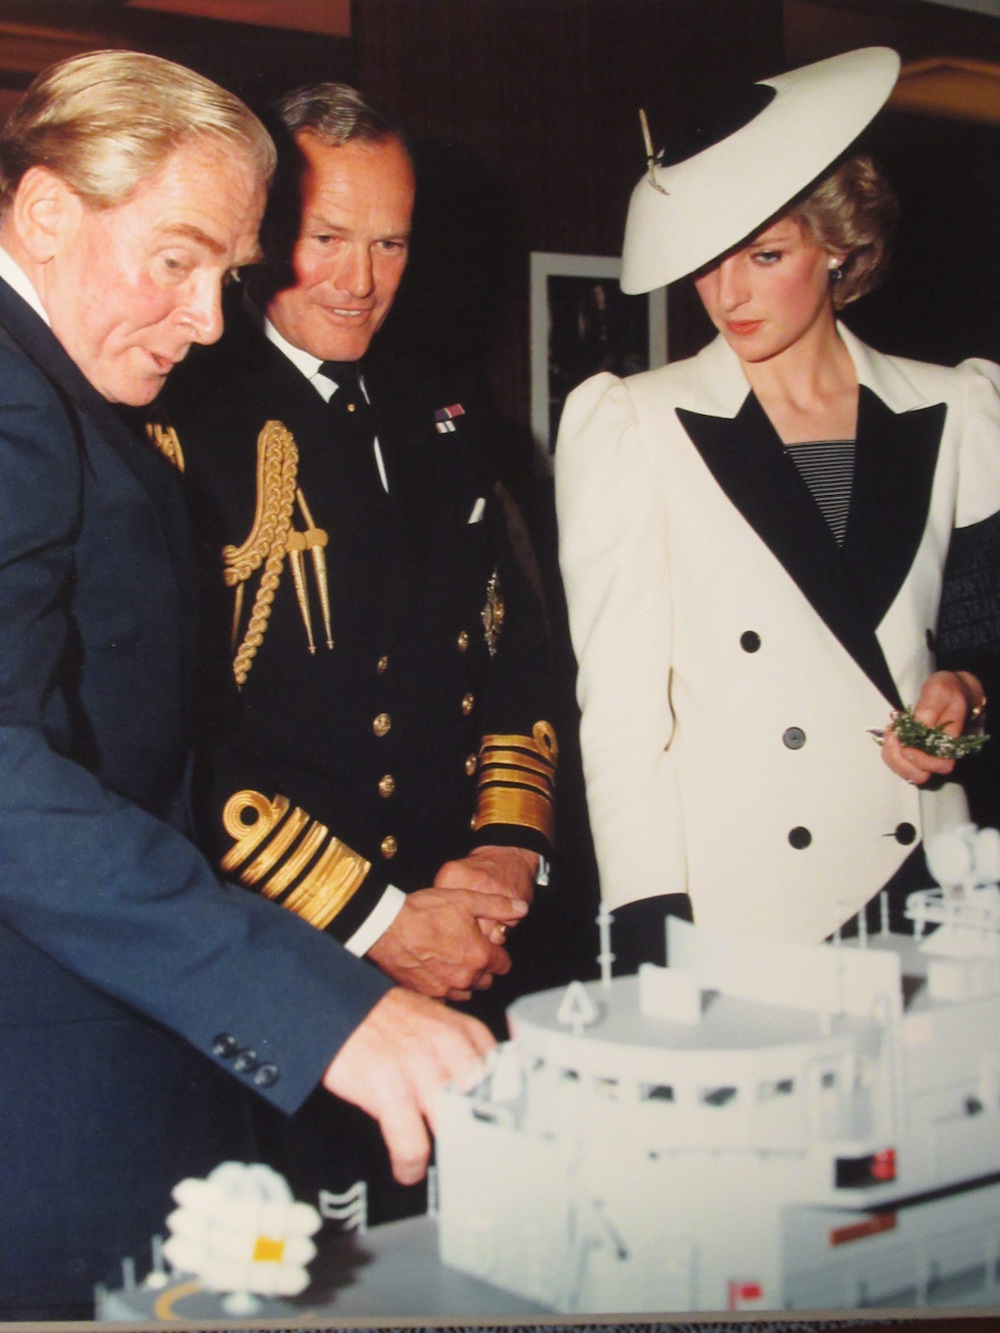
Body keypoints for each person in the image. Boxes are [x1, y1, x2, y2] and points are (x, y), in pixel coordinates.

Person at [0, 51, 493, 1320]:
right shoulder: (14, 406)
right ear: (46, 214)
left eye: (226, 273)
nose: (213, 319)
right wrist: (325, 1006)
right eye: (177, 260)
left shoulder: (67, 395)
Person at [157, 84, 555, 1212]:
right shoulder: (181, 420)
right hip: (278, 961)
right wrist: (378, 919)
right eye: (326, 239)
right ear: (265, 231)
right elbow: (179, 743)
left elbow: (515, 655)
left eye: (390, 243)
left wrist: (502, 854)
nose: (360, 279)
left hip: (463, 950)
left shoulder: (444, 412)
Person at [555, 48, 1000, 970]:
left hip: (936, 879)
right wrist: (649, 930)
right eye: (708, 263)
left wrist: (965, 686)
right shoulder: (634, 424)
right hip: (751, 903)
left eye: (765, 255)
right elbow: (624, 713)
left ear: (839, 247)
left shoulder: (958, 406)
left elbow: (979, 628)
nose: (729, 295)